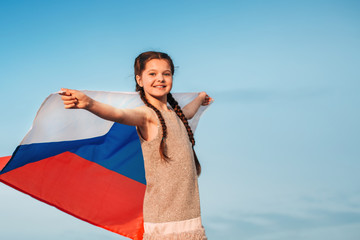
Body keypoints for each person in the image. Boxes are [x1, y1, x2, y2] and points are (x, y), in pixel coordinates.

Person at [60, 51, 212, 239]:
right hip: (163, 222)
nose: (160, 79)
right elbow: (119, 114)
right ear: (139, 80)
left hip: (190, 218)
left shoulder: (177, 115)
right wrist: (89, 103)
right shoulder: (147, 115)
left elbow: (187, 113)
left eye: (166, 74)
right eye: (152, 74)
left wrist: (200, 98)